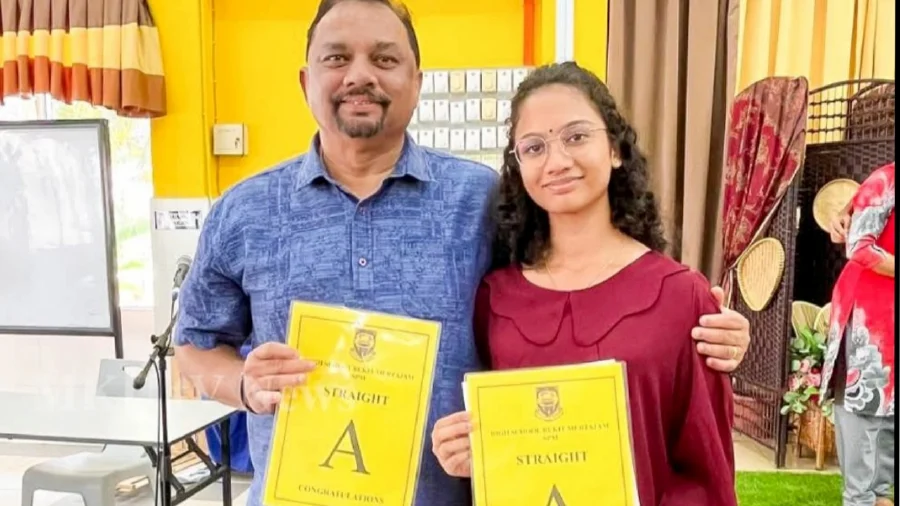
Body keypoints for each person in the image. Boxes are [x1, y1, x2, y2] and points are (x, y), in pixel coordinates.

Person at [172, 1, 752, 505]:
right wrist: (244, 385)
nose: (359, 75)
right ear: (305, 81)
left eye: (385, 58)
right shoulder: (242, 211)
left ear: (417, 81)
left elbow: (574, 293)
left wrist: (695, 323)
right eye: (336, 57)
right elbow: (194, 348)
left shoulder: (481, 200)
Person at [431, 62, 738, 505]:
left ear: (614, 148)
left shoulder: (681, 296)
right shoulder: (494, 300)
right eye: (533, 147)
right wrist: (467, 452)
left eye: (576, 137)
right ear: (518, 168)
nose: (557, 162)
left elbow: (706, 470)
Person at [820, 162, 895, 506]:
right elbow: (859, 247)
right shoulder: (885, 181)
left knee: (888, 423)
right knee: (863, 413)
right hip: (868, 318)